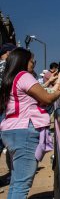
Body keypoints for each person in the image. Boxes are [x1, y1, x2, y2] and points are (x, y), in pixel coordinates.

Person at [0, 48, 60, 198]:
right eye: (32, 61)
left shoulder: (10, 78)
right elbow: (46, 98)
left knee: (16, 182)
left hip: (11, 129)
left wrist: (55, 83)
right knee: (22, 186)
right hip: (24, 131)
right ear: (24, 61)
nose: (33, 64)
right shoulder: (24, 76)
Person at [0, 43, 16, 184]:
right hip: (3, 111)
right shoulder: (6, 67)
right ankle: (13, 175)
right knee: (8, 146)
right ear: (9, 53)